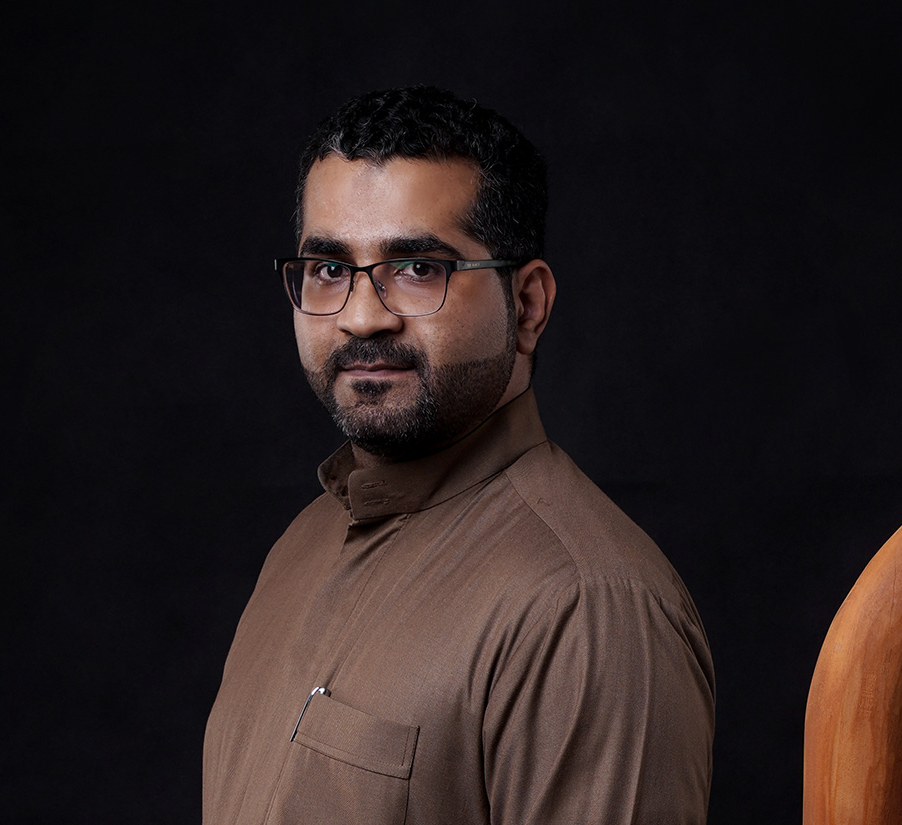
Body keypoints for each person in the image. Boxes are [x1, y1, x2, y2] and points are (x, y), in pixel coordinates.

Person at [203, 86, 714, 824]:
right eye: (330, 269)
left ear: (528, 305)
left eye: (418, 268)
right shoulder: (301, 545)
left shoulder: (587, 611)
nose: (361, 317)